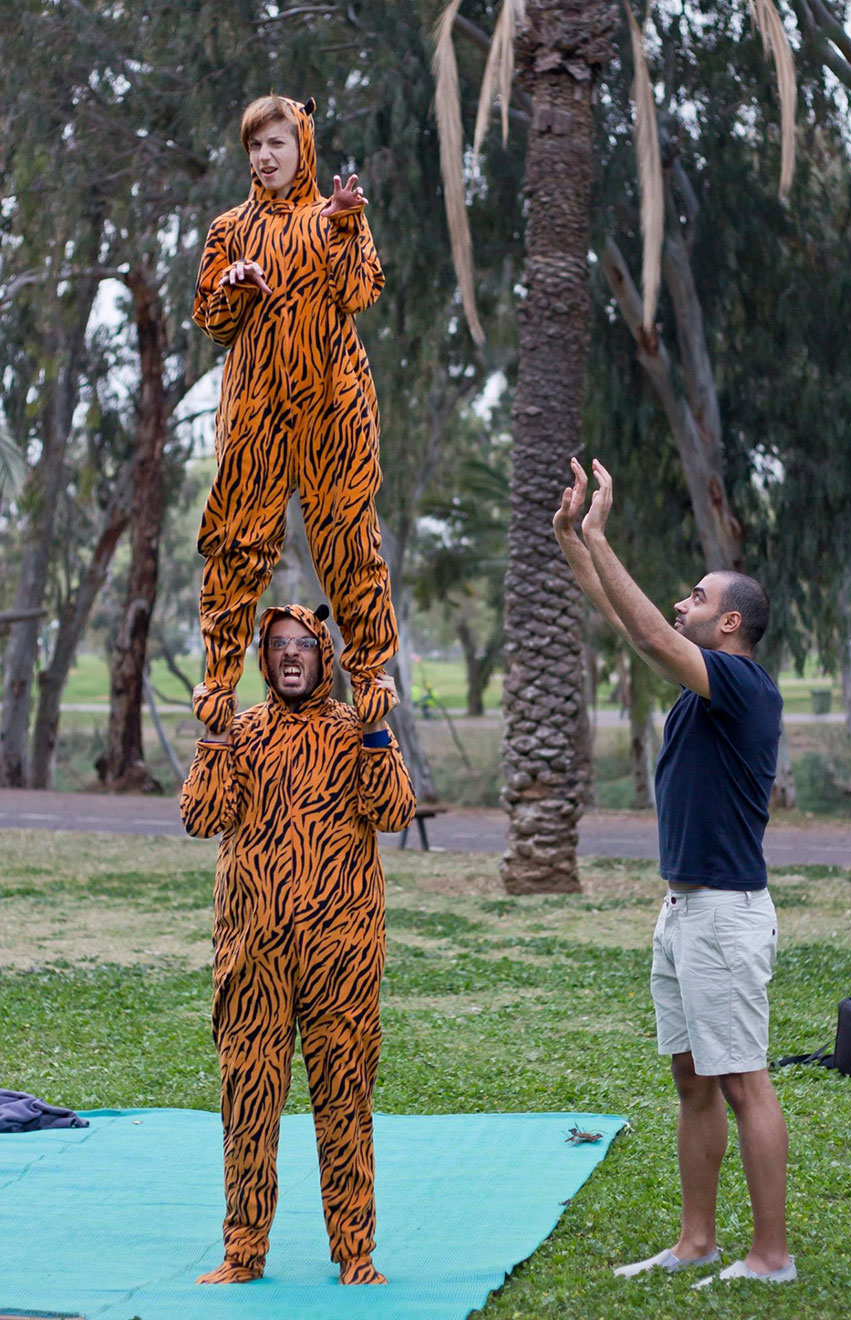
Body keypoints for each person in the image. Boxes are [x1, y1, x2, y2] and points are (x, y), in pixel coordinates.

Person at [553, 456, 796, 1287]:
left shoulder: (744, 688)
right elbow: (634, 624)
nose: (684, 602)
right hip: (684, 913)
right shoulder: (703, 688)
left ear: (731, 624)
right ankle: (696, 1241)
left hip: (726, 916)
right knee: (695, 1083)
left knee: (744, 1086)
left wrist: (600, 534)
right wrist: (574, 544)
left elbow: (653, 630)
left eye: (698, 595)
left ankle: (771, 1257)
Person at [180, 603, 416, 1286]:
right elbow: (201, 816)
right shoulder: (241, 730)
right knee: (248, 1099)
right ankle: (243, 1251)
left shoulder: (354, 730)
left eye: (303, 646)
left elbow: (395, 812)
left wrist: (376, 731)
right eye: (279, 646)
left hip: (341, 954)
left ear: (324, 658)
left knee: (345, 1100)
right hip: (253, 957)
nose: (291, 656)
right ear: (263, 658)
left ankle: (355, 1251)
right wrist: (214, 738)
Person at [191, 94, 397, 737]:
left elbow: (360, 290)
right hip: (255, 409)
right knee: (237, 541)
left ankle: (369, 682)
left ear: (301, 147)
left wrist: (337, 223)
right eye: (255, 145)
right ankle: (219, 687)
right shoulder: (229, 228)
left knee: (347, 540)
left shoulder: (339, 213)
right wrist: (231, 284)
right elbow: (211, 322)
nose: (264, 156)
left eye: (276, 142)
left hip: (335, 405)